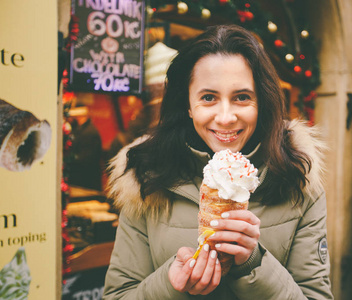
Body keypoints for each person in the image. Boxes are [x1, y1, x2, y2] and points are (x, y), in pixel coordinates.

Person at [103, 24, 333, 299]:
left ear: (262, 102)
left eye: (242, 97)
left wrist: (253, 263)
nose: (225, 117)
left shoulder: (298, 179)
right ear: (188, 105)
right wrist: (169, 284)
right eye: (209, 97)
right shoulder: (146, 177)